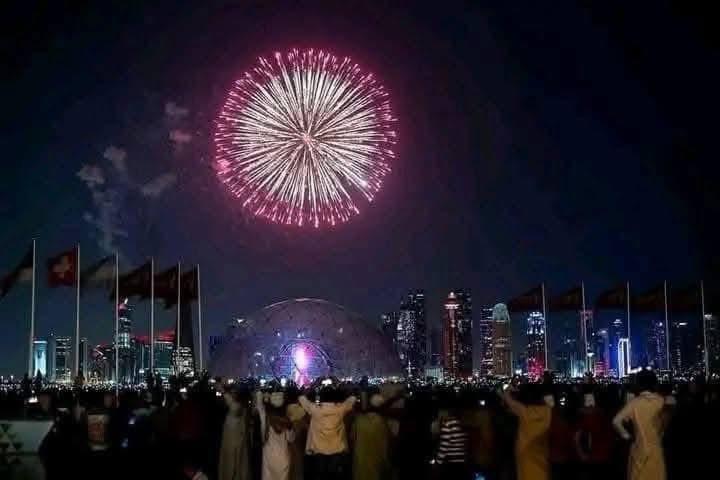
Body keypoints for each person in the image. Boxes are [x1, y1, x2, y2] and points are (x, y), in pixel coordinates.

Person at [612, 369, 667, 480]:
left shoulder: (635, 403)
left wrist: (626, 436)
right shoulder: (661, 401)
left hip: (640, 449)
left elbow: (616, 421)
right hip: (657, 450)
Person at [298, 382, 357, 480]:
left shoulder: (315, 409)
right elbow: (353, 398)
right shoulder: (341, 409)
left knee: (320, 475)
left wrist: (313, 385)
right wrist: (338, 384)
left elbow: (301, 397)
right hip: (337, 449)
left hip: (318, 450)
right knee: (334, 476)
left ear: (321, 396)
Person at [500, 384, 552, 480]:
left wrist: (507, 390)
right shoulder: (548, 412)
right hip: (542, 461)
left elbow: (509, 402)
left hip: (526, 459)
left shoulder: (524, 412)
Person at [350, 391, 392, 480]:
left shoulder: (359, 420)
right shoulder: (382, 422)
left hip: (360, 458)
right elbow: (386, 443)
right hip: (376, 458)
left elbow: (352, 438)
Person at [256, 390, 294, 480]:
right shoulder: (287, 421)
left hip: (269, 458)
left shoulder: (265, 417)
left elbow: (259, 402)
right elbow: (291, 439)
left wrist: (266, 395)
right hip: (284, 458)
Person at [219, 388, 252, 480]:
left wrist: (224, 391)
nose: (233, 395)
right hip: (239, 442)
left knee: (232, 465)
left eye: (235, 393)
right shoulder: (244, 409)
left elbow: (230, 402)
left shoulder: (236, 409)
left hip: (233, 443)